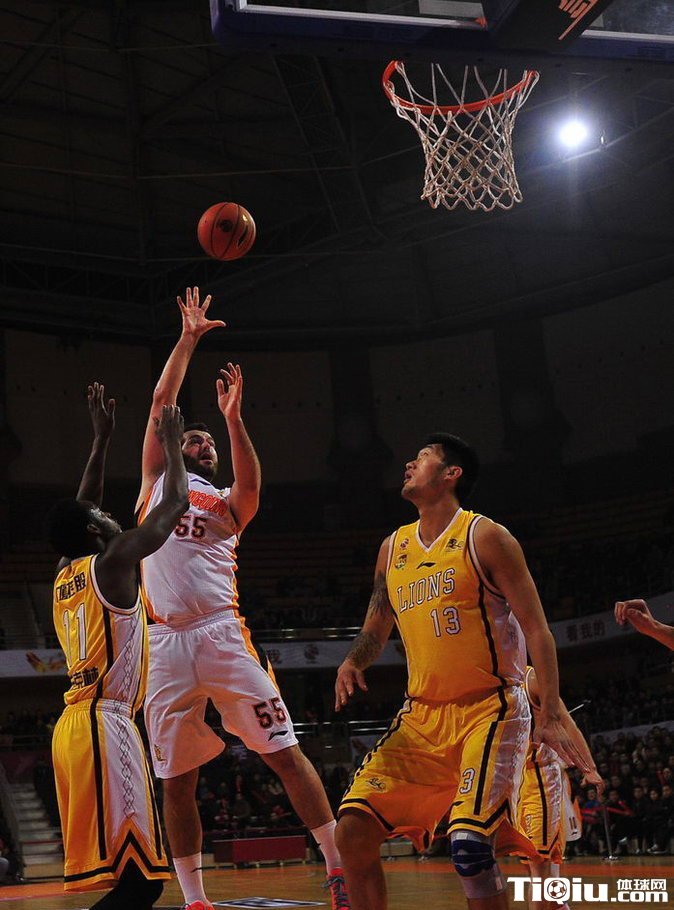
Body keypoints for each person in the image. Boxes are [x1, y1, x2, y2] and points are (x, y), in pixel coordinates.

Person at [135, 287, 350, 910]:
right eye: (193, 438)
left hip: (222, 634)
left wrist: (233, 419)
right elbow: (161, 402)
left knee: (284, 752)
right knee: (176, 781)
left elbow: (252, 482)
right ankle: (195, 899)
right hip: (164, 642)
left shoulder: (228, 502)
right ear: (173, 447)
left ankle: (337, 868)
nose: (200, 443)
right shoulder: (153, 484)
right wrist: (188, 339)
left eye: (208, 442)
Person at [333, 434, 590, 910]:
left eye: (423, 457)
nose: (410, 462)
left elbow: (537, 628)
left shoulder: (486, 537)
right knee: (351, 831)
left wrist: (551, 710)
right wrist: (353, 660)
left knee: (470, 848)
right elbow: (376, 624)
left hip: (489, 710)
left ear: (451, 474)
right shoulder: (392, 548)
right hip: (421, 717)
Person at [46, 384, 189, 909]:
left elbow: (82, 508)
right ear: (94, 530)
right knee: (144, 882)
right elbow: (174, 503)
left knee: (134, 879)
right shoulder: (113, 563)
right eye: (103, 518)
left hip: (73, 728)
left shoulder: (66, 572)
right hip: (106, 723)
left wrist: (100, 442)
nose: (112, 517)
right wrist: (171, 444)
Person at [517, 667, 603, 909]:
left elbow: (567, 723)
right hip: (513, 784)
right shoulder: (493, 680)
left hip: (541, 780)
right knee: (536, 870)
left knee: (540, 866)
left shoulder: (532, 679)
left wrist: (589, 768)